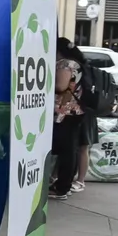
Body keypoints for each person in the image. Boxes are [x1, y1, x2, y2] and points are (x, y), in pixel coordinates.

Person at [50, 38, 86, 200]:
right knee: (70, 150)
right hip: (75, 111)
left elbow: (61, 86)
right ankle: (64, 185)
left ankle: (62, 188)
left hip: (66, 112)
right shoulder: (76, 62)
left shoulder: (66, 64)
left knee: (66, 151)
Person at [73, 106, 98, 192]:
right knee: (68, 147)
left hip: (85, 114)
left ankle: (80, 181)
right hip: (77, 114)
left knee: (83, 147)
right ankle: (56, 176)